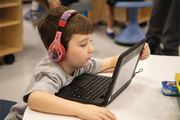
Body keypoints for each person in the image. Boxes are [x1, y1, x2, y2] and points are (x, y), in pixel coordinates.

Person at [5, 6, 150, 120]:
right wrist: (81, 109)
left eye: (90, 42)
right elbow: (35, 99)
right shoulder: (51, 71)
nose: (91, 49)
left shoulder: (79, 64)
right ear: (58, 49)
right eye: (83, 44)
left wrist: (137, 55)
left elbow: (109, 63)